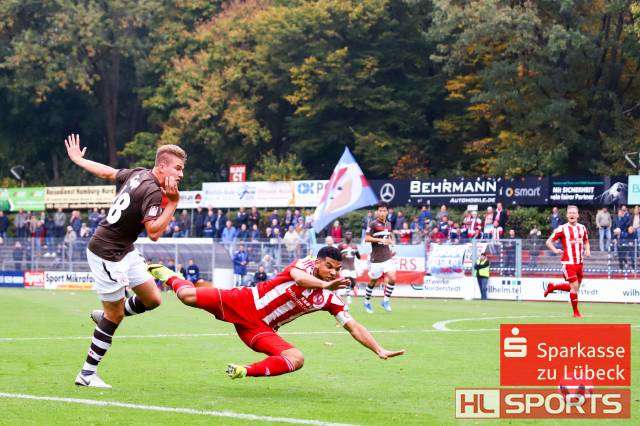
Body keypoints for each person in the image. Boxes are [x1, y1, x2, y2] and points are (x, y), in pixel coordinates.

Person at [147, 246, 404, 379]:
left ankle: (244, 371)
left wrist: (378, 349)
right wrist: (325, 284)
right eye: (329, 267)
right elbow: (299, 279)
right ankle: (168, 275)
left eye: (337, 269)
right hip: (245, 301)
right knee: (187, 296)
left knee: (297, 358)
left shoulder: (329, 298)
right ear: (317, 262)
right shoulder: (304, 264)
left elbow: (353, 326)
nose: (333, 272)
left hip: (260, 329)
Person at [65, 133, 184, 388]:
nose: (181, 174)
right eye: (178, 168)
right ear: (162, 166)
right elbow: (154, 233)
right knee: (115, 316)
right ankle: (86, 375)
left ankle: (106, 315)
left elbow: (107, 172)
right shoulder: (153, 191)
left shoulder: (139, 173)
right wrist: (173, 203)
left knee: (153, 299)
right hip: (107, 253)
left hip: (125, 249)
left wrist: (78, 160)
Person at [544, 205, 590, 318]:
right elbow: (548, 242)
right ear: (567, 215)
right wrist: (555, 250)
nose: (572, 214)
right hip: (568, 263)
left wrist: (588, 250)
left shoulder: (582, 228)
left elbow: (586, 241)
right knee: (574, 287)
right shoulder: (562, 228)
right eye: (570, 213)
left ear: (578, 215)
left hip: (579, 263)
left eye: (574, 213)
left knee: (575, 288)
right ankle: (576, 313)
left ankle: (553, 287)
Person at [364, 202, 396, 313]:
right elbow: (367, 238)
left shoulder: (388, 224)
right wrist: (380, 240)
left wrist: (391, 241)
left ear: (387, 212)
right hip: (376, 260)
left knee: (392, 278)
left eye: (384, 211)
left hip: (387, 257)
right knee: (373, 281)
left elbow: (388, 235)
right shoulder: (373, 224)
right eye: (380, 211)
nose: (382, 213)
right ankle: (367, 301)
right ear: (377, 212)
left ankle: (385, 301)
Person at [337, 231, 360, 310]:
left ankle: (353, 288)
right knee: (347, 279)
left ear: (351, 236)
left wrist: (356, 252)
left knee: (353, 282)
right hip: (344, 266)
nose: (348, 235)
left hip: (352, 267)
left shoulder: (354, 245)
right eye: (347, 234)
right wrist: (342, 255)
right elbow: (337, 256)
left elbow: (359, 257)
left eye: (350, 234)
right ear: (344, 235)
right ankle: (348, 296)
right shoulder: (341, 245)